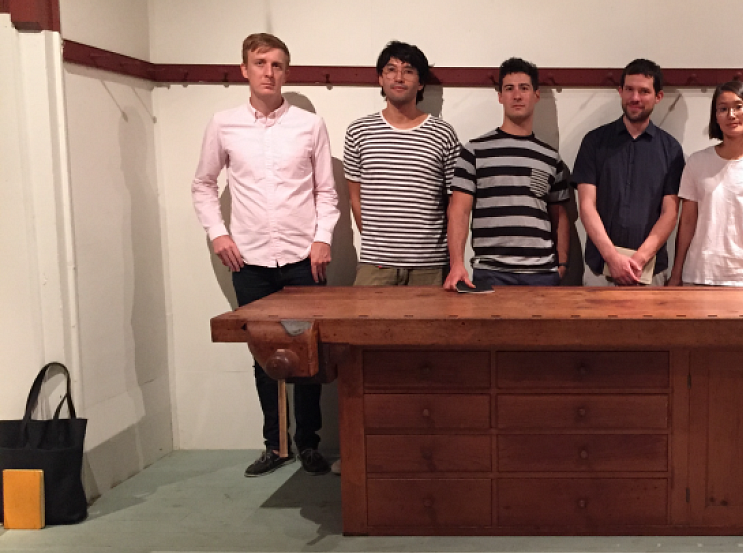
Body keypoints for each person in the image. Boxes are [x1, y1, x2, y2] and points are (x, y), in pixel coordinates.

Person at [192, 33, 337, 477]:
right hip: (250, 262)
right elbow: (203, 185)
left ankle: (308, 443)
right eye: (260, 63)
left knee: (308, 355)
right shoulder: (223, 124)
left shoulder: (310, 126)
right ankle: (275, 446)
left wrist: (323, 237)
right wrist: (218, 233)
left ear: (286, 72)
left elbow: (326, 192)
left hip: (302, 261)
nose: (269, 72)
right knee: (263, 356)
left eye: (277, 64)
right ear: (245, 70)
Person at [443, 58, 570, 289]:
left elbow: (559, 214)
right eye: (509, 88)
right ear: (500, 96)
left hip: (542, 274)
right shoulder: (474, 151)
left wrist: (562, 263)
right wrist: (457, 263)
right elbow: (458, 211)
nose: (517, 95)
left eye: (524, 88)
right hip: (491, 273)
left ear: (536, 95)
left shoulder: (551, 158)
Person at [344, 41, 460, 287]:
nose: (399, 77)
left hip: (430, 267)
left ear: (420, 83)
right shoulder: (359, 131)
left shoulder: (443, 133)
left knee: (430, 327)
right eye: (391, 69)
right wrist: (380, 246)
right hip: (375, 266)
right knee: (366, 325)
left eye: (408, 71)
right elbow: (356, 197)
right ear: (380, 79)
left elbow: (454, 203)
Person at [574, 59, 685, 286]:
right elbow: (586, 206)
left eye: (644, 91)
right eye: (629, 89)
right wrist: (613, 258)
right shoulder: (594, 142)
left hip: (649, 273)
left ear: (658, 96)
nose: (635, 98)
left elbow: (670, 214)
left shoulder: (671, 149)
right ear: (620, 91)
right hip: (599, 271)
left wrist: (638, 260)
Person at [668, 81, 743, 287]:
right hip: (699, 273)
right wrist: (676, 274)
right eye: (723, 109)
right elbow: (687, 222)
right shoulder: (697, 162)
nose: (731, 115)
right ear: (716, 116)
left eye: (739, 106)